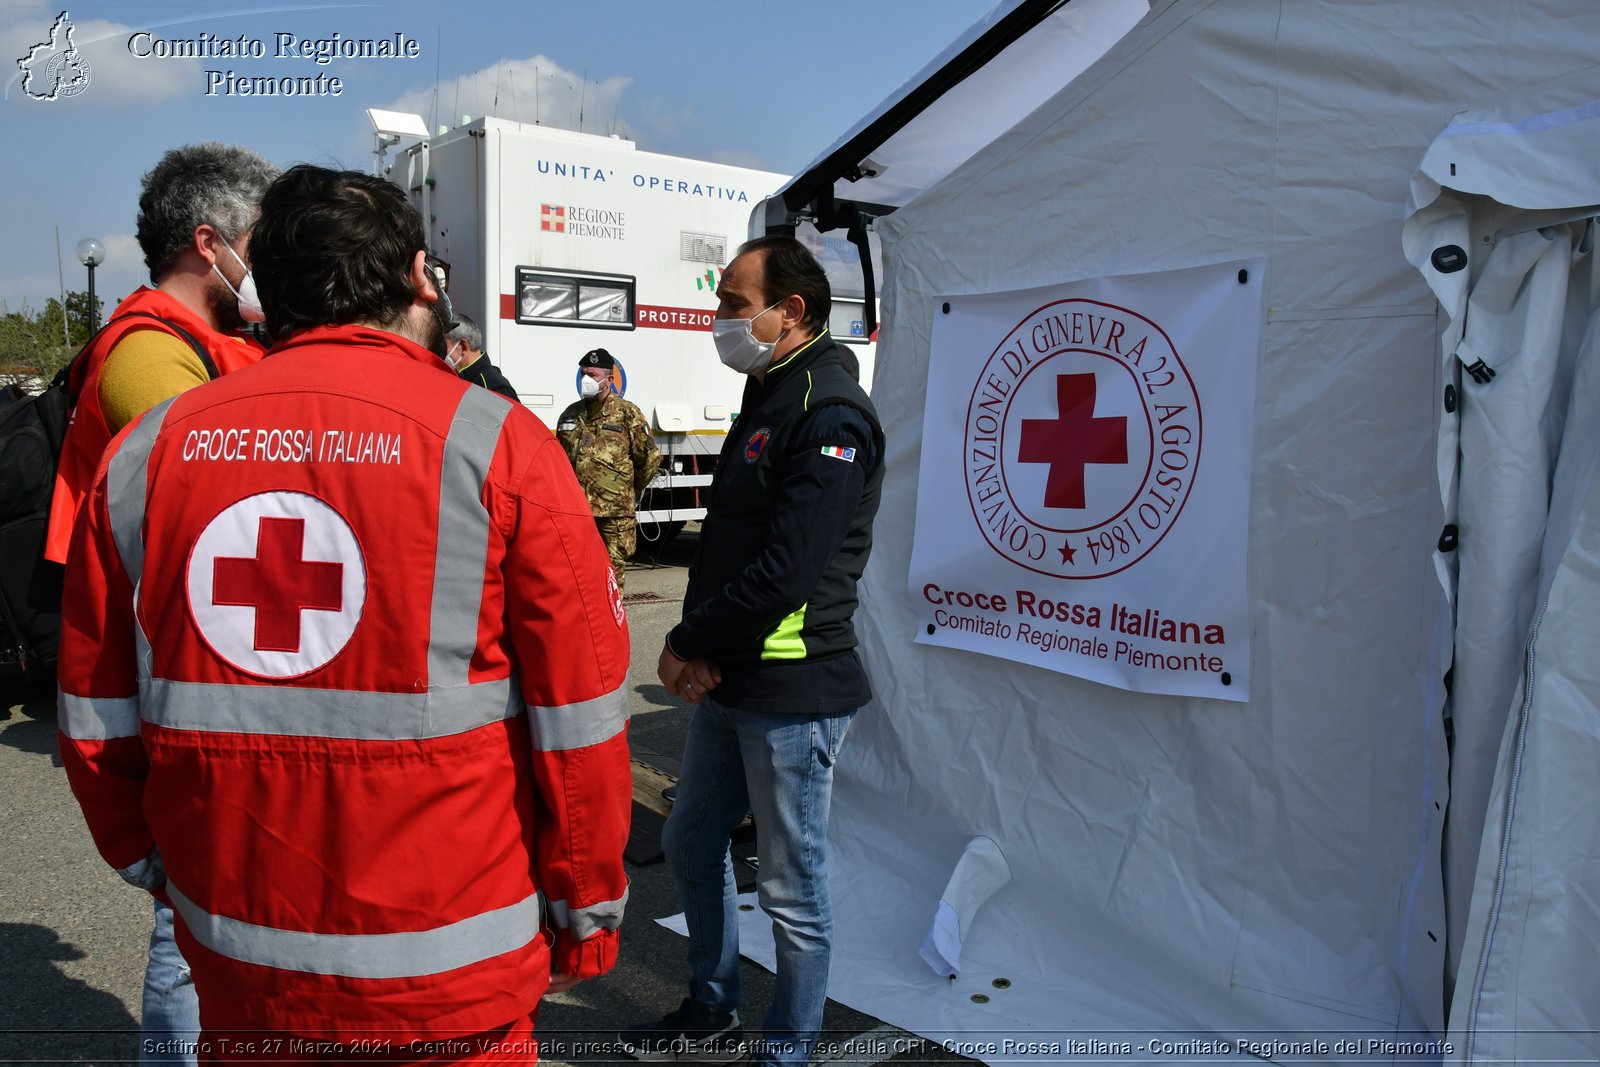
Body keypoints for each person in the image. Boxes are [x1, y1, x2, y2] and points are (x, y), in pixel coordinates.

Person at [56, 164, 632, 1058]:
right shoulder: (498, 444)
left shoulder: (145, 455)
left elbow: (96, 713)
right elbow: (580, 723)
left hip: (242, 972)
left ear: (265, 294)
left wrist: (161, 870)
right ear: (415, 278)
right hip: (455, 984)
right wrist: (585, 914)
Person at [619, 236, 884, 1067]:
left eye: (735, 302)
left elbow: (787, 572)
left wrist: (686, 642)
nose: (722, 319)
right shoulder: (767, 392)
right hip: (732, 677)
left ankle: (789, 1052)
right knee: (694, 841)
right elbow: (728, 544)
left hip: (794, 690)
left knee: (791, 891)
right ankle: (712, 1008)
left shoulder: (830, 410)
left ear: (791, 310)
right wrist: (702, 652)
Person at [45, 141, 278, 1067]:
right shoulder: (147, 353)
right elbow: (215, 500)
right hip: (178, 673)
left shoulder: (212, 347)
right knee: (192, 914)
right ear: (208, 242)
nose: (267, 265)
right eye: (258, 242)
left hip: (212, 653)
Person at [555, 348, 661, 593]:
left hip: (614, 514)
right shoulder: (571, 414)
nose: (586, 380)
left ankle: (612, 628)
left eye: (592, 374)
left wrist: (627, 490)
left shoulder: (627, 413)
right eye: (583, 374)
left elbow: (649, 458)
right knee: (576, 573)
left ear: (608, 380)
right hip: (577, 511)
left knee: (611, 577)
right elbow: (559, 460)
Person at [446, 312, 519, 400]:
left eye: (444, 345)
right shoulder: (462, 378)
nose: (440, 352)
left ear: (463, 346)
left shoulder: (493, 387)